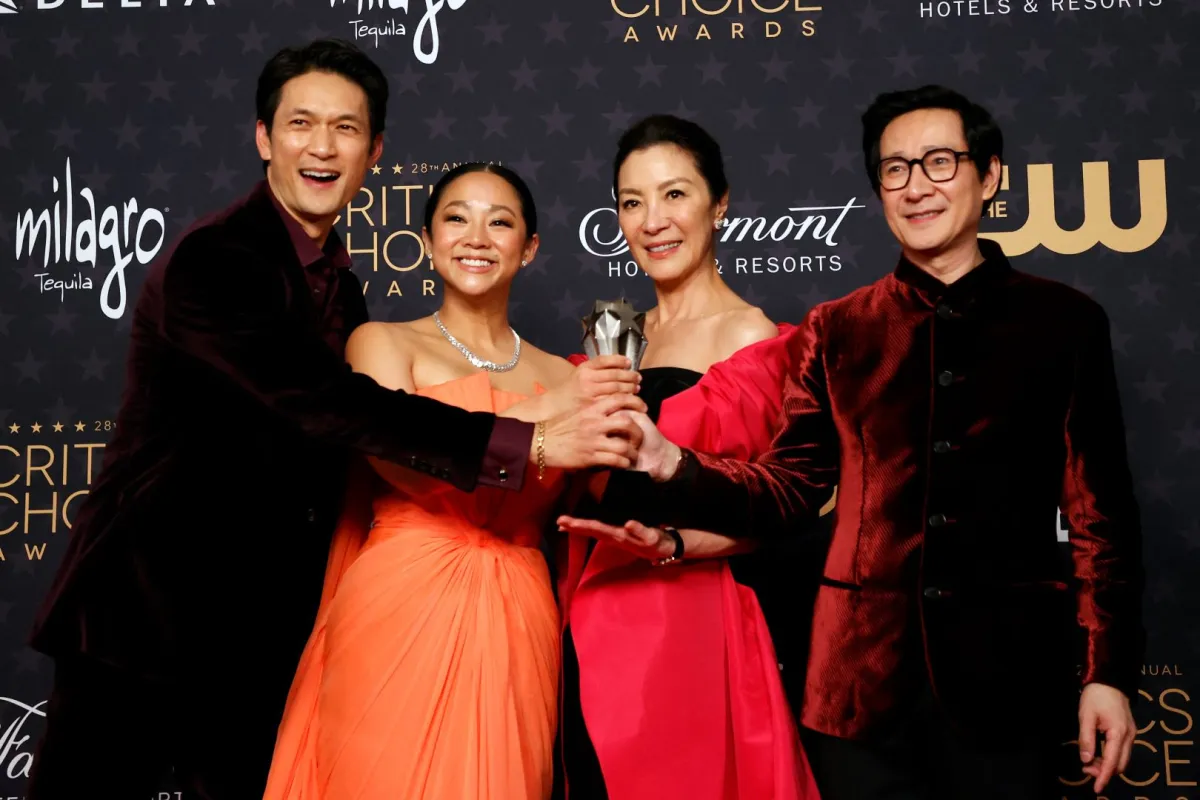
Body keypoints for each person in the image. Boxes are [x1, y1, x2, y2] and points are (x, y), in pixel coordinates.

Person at [24, 40, 642, 800]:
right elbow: (327, 405)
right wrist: (530, 438)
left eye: (346, 129)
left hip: (258, 637)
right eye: (301, 124)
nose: (323, 147)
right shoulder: (216, 260)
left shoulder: (341, 293)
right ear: (263, 137)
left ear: (374, 150)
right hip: (143, 620)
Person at [582, 86, 1145, 800]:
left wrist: (1108, 673)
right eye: (896, 170)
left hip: (1008, 682)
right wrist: (671, 463)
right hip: (854, 695)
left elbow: (1101, 516)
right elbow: (789, 491)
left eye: (939, 163)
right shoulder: (837, 328)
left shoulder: (1065, 323)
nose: (917, 186)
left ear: (991, 175)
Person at [262, 161, 642, 800]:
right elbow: (405, 458)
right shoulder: (381, 344)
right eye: (456, 219)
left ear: (530, 248)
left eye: (501, 222)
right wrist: (552, 421)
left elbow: (604, 498)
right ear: (430, 240)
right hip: (398, 600)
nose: (477, 237)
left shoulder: (566, 369)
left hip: (519, 612)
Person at [552, 115, 821, 800]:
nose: (652, 221)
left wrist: (678, 544)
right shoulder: (615, 340)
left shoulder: (758, 341)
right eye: (632, 201)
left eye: (674, 195)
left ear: (719, 203)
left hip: (694, 624)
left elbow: (793, 510)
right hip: (592, 616)